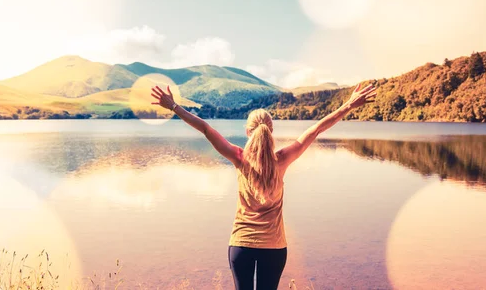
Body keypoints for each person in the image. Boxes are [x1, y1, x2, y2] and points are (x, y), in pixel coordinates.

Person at [151, 83, 377, 289]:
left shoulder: (239, 158)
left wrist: (173, 106)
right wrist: (348, 105)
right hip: (274, 247)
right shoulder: (282, 159)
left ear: (248, 132)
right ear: (271, 131)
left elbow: (206, 129)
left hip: (242, 243)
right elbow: (316, 129)